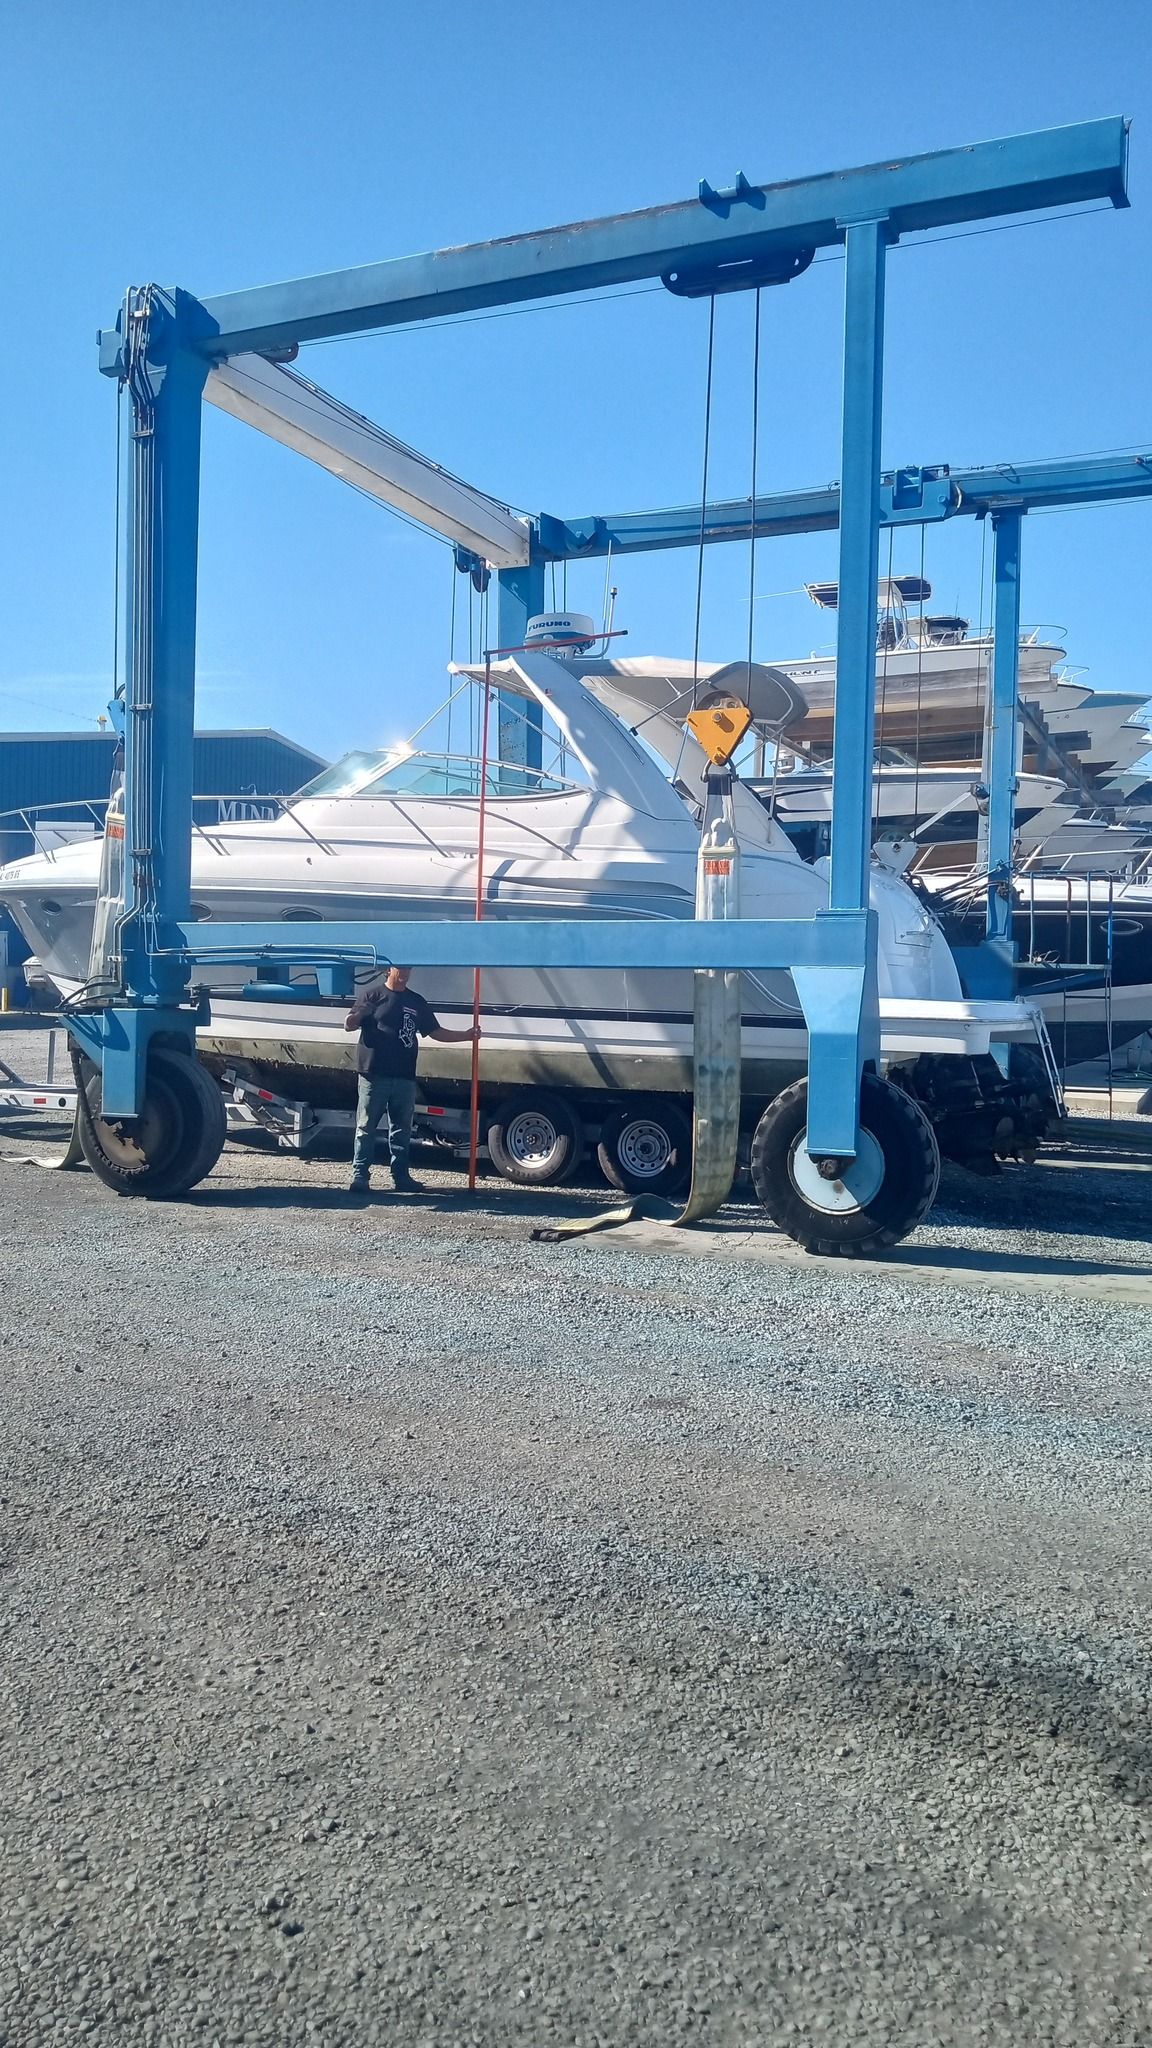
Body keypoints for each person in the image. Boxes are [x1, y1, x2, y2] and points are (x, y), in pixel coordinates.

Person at [344, 965, 478, 1194]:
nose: (405, 972)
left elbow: (435, 1031)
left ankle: (400, 1176)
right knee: (366, 1126)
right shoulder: (372, 996)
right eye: (400, 968)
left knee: (402, 1129)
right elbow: (349, 1024)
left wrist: (465, 1036)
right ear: (389, 970)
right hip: (374, 1073)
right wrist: (356, 1016)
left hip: (404, 1076)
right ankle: (360, 1176)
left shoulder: (416, 1001)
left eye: (408, 968)